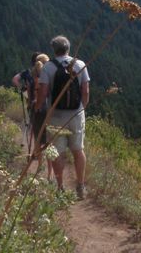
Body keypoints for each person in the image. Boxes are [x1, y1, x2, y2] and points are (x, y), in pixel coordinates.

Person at [36, 35, 90, 199]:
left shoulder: (48, 67)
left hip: (56, 116)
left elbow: (43, 93)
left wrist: (39, 108)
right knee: (78, 150)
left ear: (54, 49)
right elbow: (85, 91)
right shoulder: (80, 64)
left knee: (57, 153)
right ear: (68, 48)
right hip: (76, 114)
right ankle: (80, 187)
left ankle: (60, 188)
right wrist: (82, 108)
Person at [13, 53, 53, 180]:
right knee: (49, 142)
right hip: (48, 110)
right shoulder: (49, 77)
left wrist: (23, 91)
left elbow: (15, 79)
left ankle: (38, 168)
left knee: (38, 140)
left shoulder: (29, 75)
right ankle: (50, 174)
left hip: (35, 109)